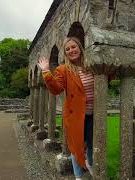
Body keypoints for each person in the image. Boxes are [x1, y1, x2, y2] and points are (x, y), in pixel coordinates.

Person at [37, 37, 94, 179]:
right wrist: (46, 72)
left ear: (80, 48)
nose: (71, 50)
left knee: (93, 145)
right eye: (67, 49)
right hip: (75, 116)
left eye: (73, 47)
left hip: (94, 114)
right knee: (76, 148)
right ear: (65, 54)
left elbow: (107, 77)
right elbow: (56, 89)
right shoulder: (64, 69)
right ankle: (78, 177)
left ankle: (91, 165)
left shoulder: (93, 65)